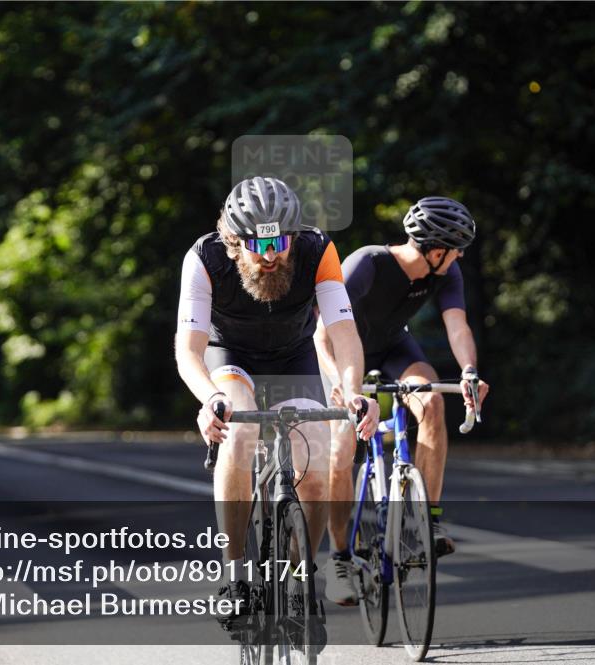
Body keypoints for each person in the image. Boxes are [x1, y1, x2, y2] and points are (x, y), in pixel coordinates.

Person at [174, 176, 380, 620]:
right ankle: (234, 575)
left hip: (293, 355)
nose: (270, 257)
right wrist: (210, 400)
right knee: (240, 434)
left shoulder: (317, 249)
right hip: (230, 355)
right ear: (234, 240)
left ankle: (299, 573)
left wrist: (353, 388)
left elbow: (343, 332)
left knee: (318, 472)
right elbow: (188, 350)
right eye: (257, 247)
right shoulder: (205, 257)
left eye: (280, 244)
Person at [314, 196, 490, 605]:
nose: (460, 254)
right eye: (455, 247)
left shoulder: (447, 272)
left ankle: (424, 522)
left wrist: (468, 372)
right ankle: (340, 558)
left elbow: (458, 325)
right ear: (434, 250)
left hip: (393, 348)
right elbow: (322, 333)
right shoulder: (368, 263)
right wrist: (340, 382)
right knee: (341, 449)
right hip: (342, 353)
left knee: (431, 402)